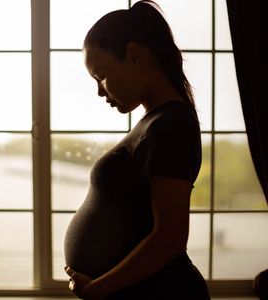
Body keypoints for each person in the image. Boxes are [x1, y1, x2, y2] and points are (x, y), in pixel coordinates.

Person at [63, 1, 211, 299]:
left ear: (134, 55)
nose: (99, 91)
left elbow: (170, 238)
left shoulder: (171, 124)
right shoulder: (156, 120)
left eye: (101, 75)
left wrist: (96, 289)